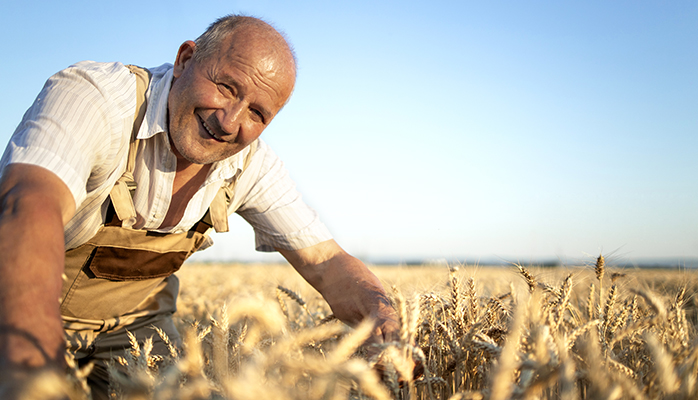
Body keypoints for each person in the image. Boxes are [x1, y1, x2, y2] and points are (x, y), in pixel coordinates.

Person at [0, 15, 399, 398]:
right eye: (226, 87)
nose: (229, 122)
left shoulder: (251, 164)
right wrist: (32, 360)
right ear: (185, 60)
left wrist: (382, 317)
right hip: (23, 306)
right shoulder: (95, 97)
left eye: (257, 113)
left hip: (138, 329)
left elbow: (325, 262)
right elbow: (29, 205)